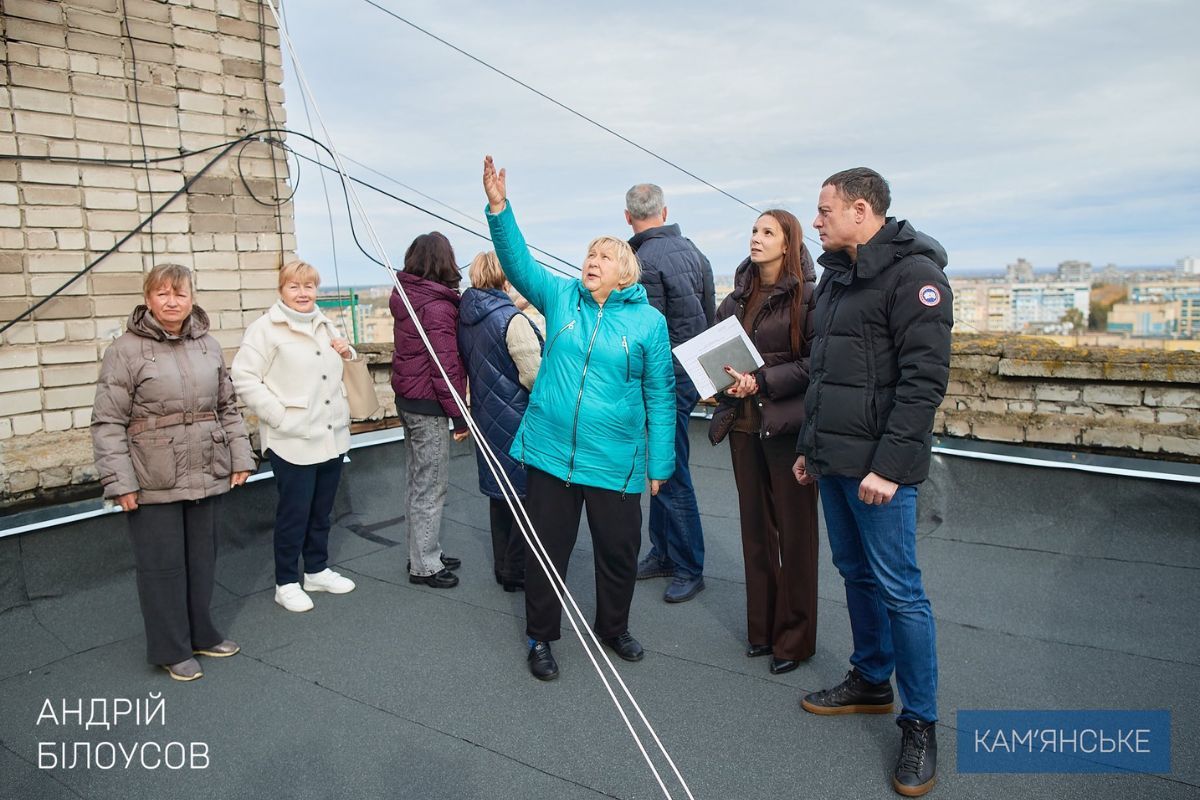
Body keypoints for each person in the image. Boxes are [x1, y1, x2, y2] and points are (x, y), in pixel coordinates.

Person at [482, 156, 675, 681]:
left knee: (618, 552)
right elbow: (518, 264)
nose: (593, 261)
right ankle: (540, 638)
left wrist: (661, 464)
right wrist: (500, 208)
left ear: (625, 270)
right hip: (552, 454)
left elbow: (661, 394)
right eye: (590, 253)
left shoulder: (649, 322)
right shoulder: (562, 296)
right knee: (547, 553)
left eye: (605, 256)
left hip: (615, 461)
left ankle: (613, 628)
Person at [794, 168, 952, 797]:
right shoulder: (836, 279)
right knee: (855, 574)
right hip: (834, 461)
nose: (816, 221)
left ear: (861, 211)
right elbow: (824, 375)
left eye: (824, 210)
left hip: (882, 470)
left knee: (901, 590)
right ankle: (870, 679)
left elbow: (922, 385)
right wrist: (811, 448)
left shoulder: (915, 276)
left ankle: (920, 723)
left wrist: (886, 468)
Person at [91, 263, 255, 682]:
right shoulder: (124, 351)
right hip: (152, 476)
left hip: (205, 468)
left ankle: (201, 633)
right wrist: (120, 483)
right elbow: (107, 422)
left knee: (202, 560)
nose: (171, 301)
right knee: (162, 567)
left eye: (179, 294)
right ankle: (171, 648)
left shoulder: (209, 345)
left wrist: (241, 456)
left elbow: (227, 408)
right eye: (162, 293)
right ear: (147, 299)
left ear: (191, 298)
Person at [708, 209, 819, 676]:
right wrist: (718, 383)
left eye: (768, 232)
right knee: (756, 534)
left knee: (795, 538)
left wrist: (762, 381)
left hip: (787, 429)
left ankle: (793, 641)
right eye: (754, 231)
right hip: (742, 428)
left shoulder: (810, 299)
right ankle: (762, 631)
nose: (756, 238)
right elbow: (716, 357)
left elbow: (817, 366)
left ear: (787, 242)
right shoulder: (734, 300)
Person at [231, 260, 358, 613]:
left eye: (309, 286)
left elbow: (335, 369)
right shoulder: (265, 330)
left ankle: (316, 570)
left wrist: (348, 352)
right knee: (294, 513)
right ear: (281, 290)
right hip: (293, 439)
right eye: (294, 286)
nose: (303, 293)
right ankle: (286, 581)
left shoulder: (323, 321)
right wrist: (279, 415)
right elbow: (243, 377)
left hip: (330, 435)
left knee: (321, 510)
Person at [625, 183, 715, 603]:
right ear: (664, 211)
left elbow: (649, 332)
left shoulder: (641, 261)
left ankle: (689, 566)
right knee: (663, 468)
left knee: (670, 471)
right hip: (691, 374)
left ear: (628, 217)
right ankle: (663, 551)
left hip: (665, 380)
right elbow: (710, 316)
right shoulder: (695, 251)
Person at [457, 251, 544, 592]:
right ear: (506, 279)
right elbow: (534, 377)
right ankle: (517, 572)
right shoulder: (513, 320)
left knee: (500, 496)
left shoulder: (468, 316)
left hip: (486, 415)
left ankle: (502, 566)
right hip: (518, 417)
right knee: (525, 497)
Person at [391, 232, 469, 589]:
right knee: (430, 486)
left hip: (408, 400)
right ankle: (424, 565)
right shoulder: (436, 306)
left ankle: (424, 551)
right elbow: (445, 366)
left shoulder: (407, 297)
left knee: (417, 482)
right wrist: (459, 414)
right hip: (429, 405)